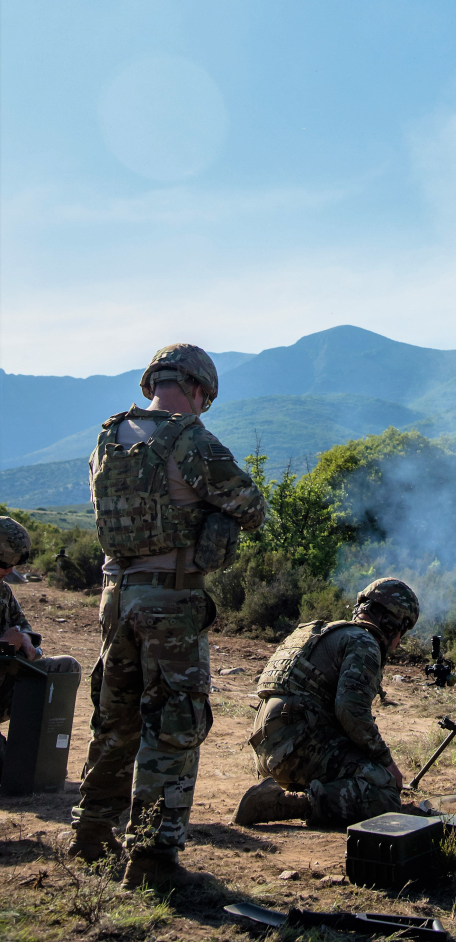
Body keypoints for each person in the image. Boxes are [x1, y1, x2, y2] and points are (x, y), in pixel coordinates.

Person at [68, 343, 266, 889]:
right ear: (199, 388)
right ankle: (153, 858)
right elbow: (251, 505)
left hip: (115, 594)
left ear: (152, 380)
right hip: (171, 598)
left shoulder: (107, 438)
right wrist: (214, 525)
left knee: (115, 718)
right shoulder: (192, 438)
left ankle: (91, 834)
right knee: (173, 725)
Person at [235, 577, 419, 827]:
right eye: (402, 632)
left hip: (272, 747)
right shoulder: (364, 643)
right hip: (293, 749)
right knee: (384, 792)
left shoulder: (322, 632)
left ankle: (298, 792)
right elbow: (351, 710)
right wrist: (387, 763)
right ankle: (283, 804)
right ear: (391, 623)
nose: (399, 642)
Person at [0, 517, 82, 774]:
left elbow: (22, 626)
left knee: (65, 668)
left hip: (5, 683)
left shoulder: (3, 592)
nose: (8, 571)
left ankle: (42, 756)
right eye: (4, 564)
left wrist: (24, 640)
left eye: (14, 565)